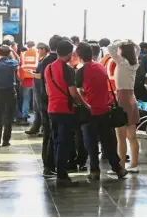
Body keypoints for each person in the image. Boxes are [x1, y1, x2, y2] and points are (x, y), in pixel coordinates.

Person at [75, 42, 128, 180]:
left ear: (80, 56)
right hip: (105, 109)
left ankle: (94, 171)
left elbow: (78, 91)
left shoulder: (81, 71)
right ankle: (118, 168)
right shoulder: (100, 67)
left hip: (90, 111)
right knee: (109, 142)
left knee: (91, 143)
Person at [45, 40, 86, 185]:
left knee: (56, 140)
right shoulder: (67, 69)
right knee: (64, 142)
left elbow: (47, 89)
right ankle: (62, 175)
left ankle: (58, 171)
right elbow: (73, 93)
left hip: (52, 109)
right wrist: (84, 104)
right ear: (69, 53)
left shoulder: (48, 68)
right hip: (65, 109)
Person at [107, 40, 140, 173]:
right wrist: (131, 43)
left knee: (120, 137)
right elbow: (137, 49)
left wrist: (123, 42)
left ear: (122, 51)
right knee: (132, 136)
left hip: (122, 98)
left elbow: (110, 48)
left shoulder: (121, 62)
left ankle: (120, 166)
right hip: (132, 99)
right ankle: (134, 164)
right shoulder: (134, 63)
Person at [39, 35, 63, 178]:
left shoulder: (45, 60)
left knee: (47, 131)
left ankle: (47, 163)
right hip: (53, 100)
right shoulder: (56, 61)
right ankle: (49, 165)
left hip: (44, 97)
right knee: (53, 133)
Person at [0, 45, 18, 146]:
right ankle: (6, 140)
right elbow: (17, 59)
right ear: (9, 53)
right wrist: (12, 52)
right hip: (10, 92)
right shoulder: (12, 63)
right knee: (9, 117)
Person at [25, 43, 49, 136]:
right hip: (36, 87)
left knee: (41, 108)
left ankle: (43, 128)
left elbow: (42, 75)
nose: (38, 51)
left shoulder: (45, 61)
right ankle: (35, 127)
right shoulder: (41, 60)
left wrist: (32, 74)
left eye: (39, 49)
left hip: (40, 87)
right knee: (36, 108)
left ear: (44, 49)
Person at [18, 41, 38, 124]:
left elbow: (20, 67)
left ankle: (25, 116)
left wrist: (20, 79)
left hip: (25, 79)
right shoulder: (37, 53)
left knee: (26, 99)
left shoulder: (23, 54)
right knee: (36, 100)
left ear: (27, 46)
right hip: (36, 78)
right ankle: (37, 118)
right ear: (34, 45)